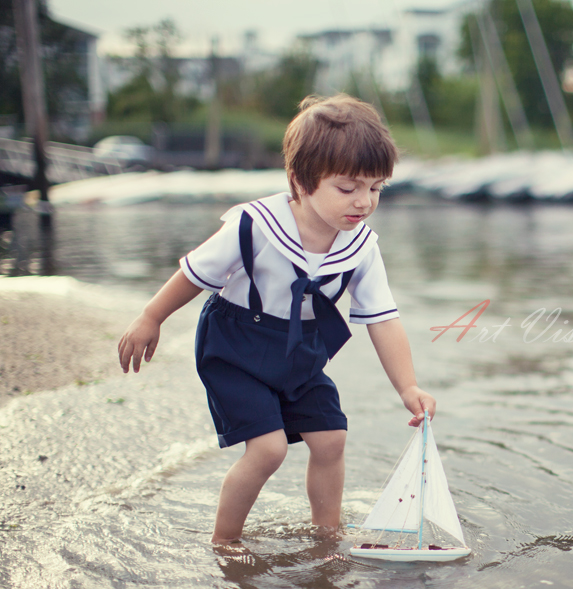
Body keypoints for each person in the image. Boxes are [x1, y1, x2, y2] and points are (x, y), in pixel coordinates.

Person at [117, 94, 435, 544]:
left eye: (375, 187)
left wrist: (408, 386)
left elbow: (383, 318)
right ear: (301, 181)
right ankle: (225, 543)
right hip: (234, 344)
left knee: (331, 439)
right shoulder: (255, 224)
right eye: (348, 188)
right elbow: (194, 272)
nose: (364, 202)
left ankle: (327, 538)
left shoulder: (361, 245)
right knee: (267, 450)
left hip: (300, 350)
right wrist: (151, 317)